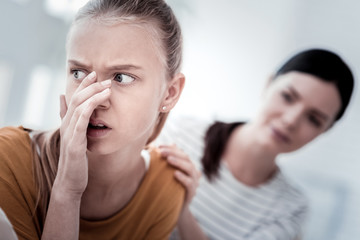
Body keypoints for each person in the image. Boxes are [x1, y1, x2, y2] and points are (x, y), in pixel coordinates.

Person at [0, 0, 188, 239]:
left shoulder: (165, 186)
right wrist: (67, 192)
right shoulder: (6, 163)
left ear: (170, 93)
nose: (97, 99)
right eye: (78, 73)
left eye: (121, 77)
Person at [157, 48, 355, 240]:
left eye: (313, 119)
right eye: (287, 97)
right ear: (268, 85)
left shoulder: (290, 210)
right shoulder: (177, 133)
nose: (291, 120)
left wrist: (181, 210)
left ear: (324, 131)